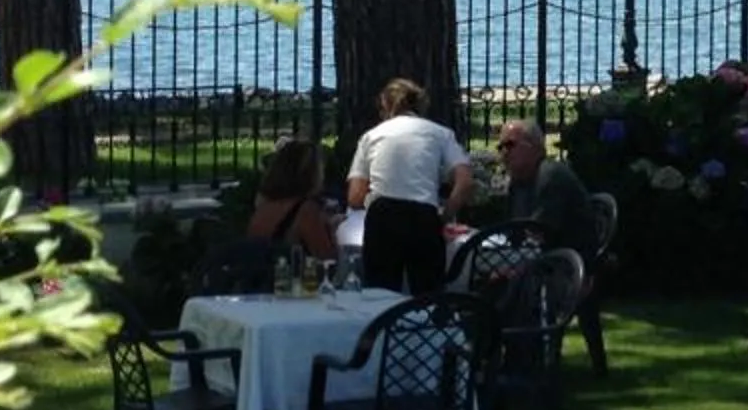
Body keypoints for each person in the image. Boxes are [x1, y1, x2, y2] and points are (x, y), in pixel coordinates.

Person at [345, 79, 474, 296]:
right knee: (428, 294)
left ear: (385, 105)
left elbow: (355, 197)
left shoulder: (371, 136)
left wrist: (371, 197)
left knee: (380, 294)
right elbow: (465, 181)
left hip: (383, 215)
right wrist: (445, 214)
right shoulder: (441, 133)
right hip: (423, 214)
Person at [497, 119, 596, 256]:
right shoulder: (517, 181)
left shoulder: (551, 177)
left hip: (565, 264)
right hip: (533, 258)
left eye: (510, 145)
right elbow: (514, 232)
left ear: (534, 146)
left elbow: (537, 235)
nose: (504, 152)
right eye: (500, 147)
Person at [246, 137, 338, 265]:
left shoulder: (262, 208)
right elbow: (328, 259)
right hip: (295, 281)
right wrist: (332, 230)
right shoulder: (306, 211)